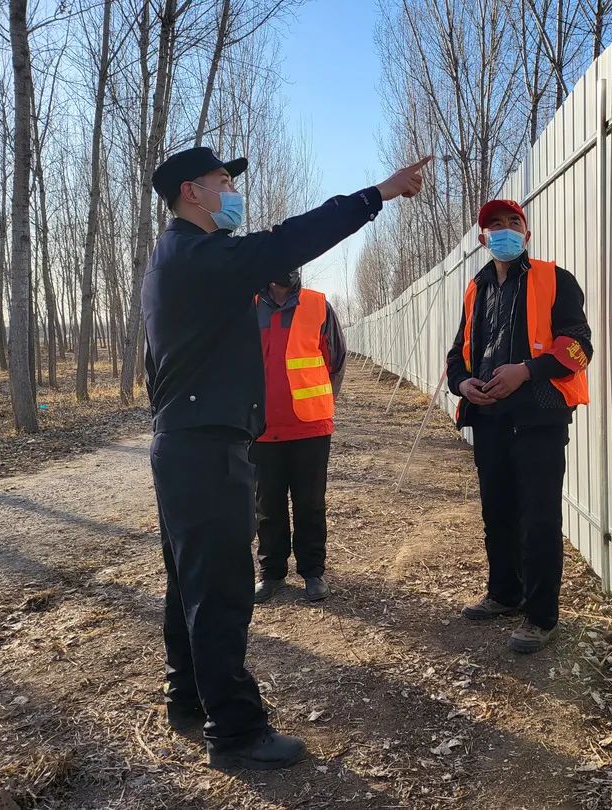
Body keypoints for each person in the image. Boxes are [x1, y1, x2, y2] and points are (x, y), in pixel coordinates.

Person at [144, 146, 428, 771]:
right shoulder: (201, 256)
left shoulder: (173, 260)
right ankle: (236, 732)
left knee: (189, 586)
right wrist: (376, 194)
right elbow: (289, 240)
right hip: (205, 449)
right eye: (224, 182)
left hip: (182, 444)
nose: (232, 192)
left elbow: (154, 367)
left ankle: (188, 700)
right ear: (193, 191)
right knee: (219, 593)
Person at [445, 198, 592, 654]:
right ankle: (504, 593)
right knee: (498, 512)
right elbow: (458, 354)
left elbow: (579, 346)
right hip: (488, 420)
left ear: (526, 234)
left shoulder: (555, 279)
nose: (505, 230)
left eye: (514, 223)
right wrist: (463, 383)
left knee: (539, 517)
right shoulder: (477, 288)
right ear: (483, 238)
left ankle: (541, 616)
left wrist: (525, 371)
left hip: (538, 419)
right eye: (496, 225)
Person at [252, 270, 344, 604]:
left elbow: (335, 360)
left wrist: (324, 403)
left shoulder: (318, 305)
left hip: (310, 426)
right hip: (260, 427)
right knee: (267, 504)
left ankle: (312, 572)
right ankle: (271, 572)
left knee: (310, 502)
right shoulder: (247, 306)